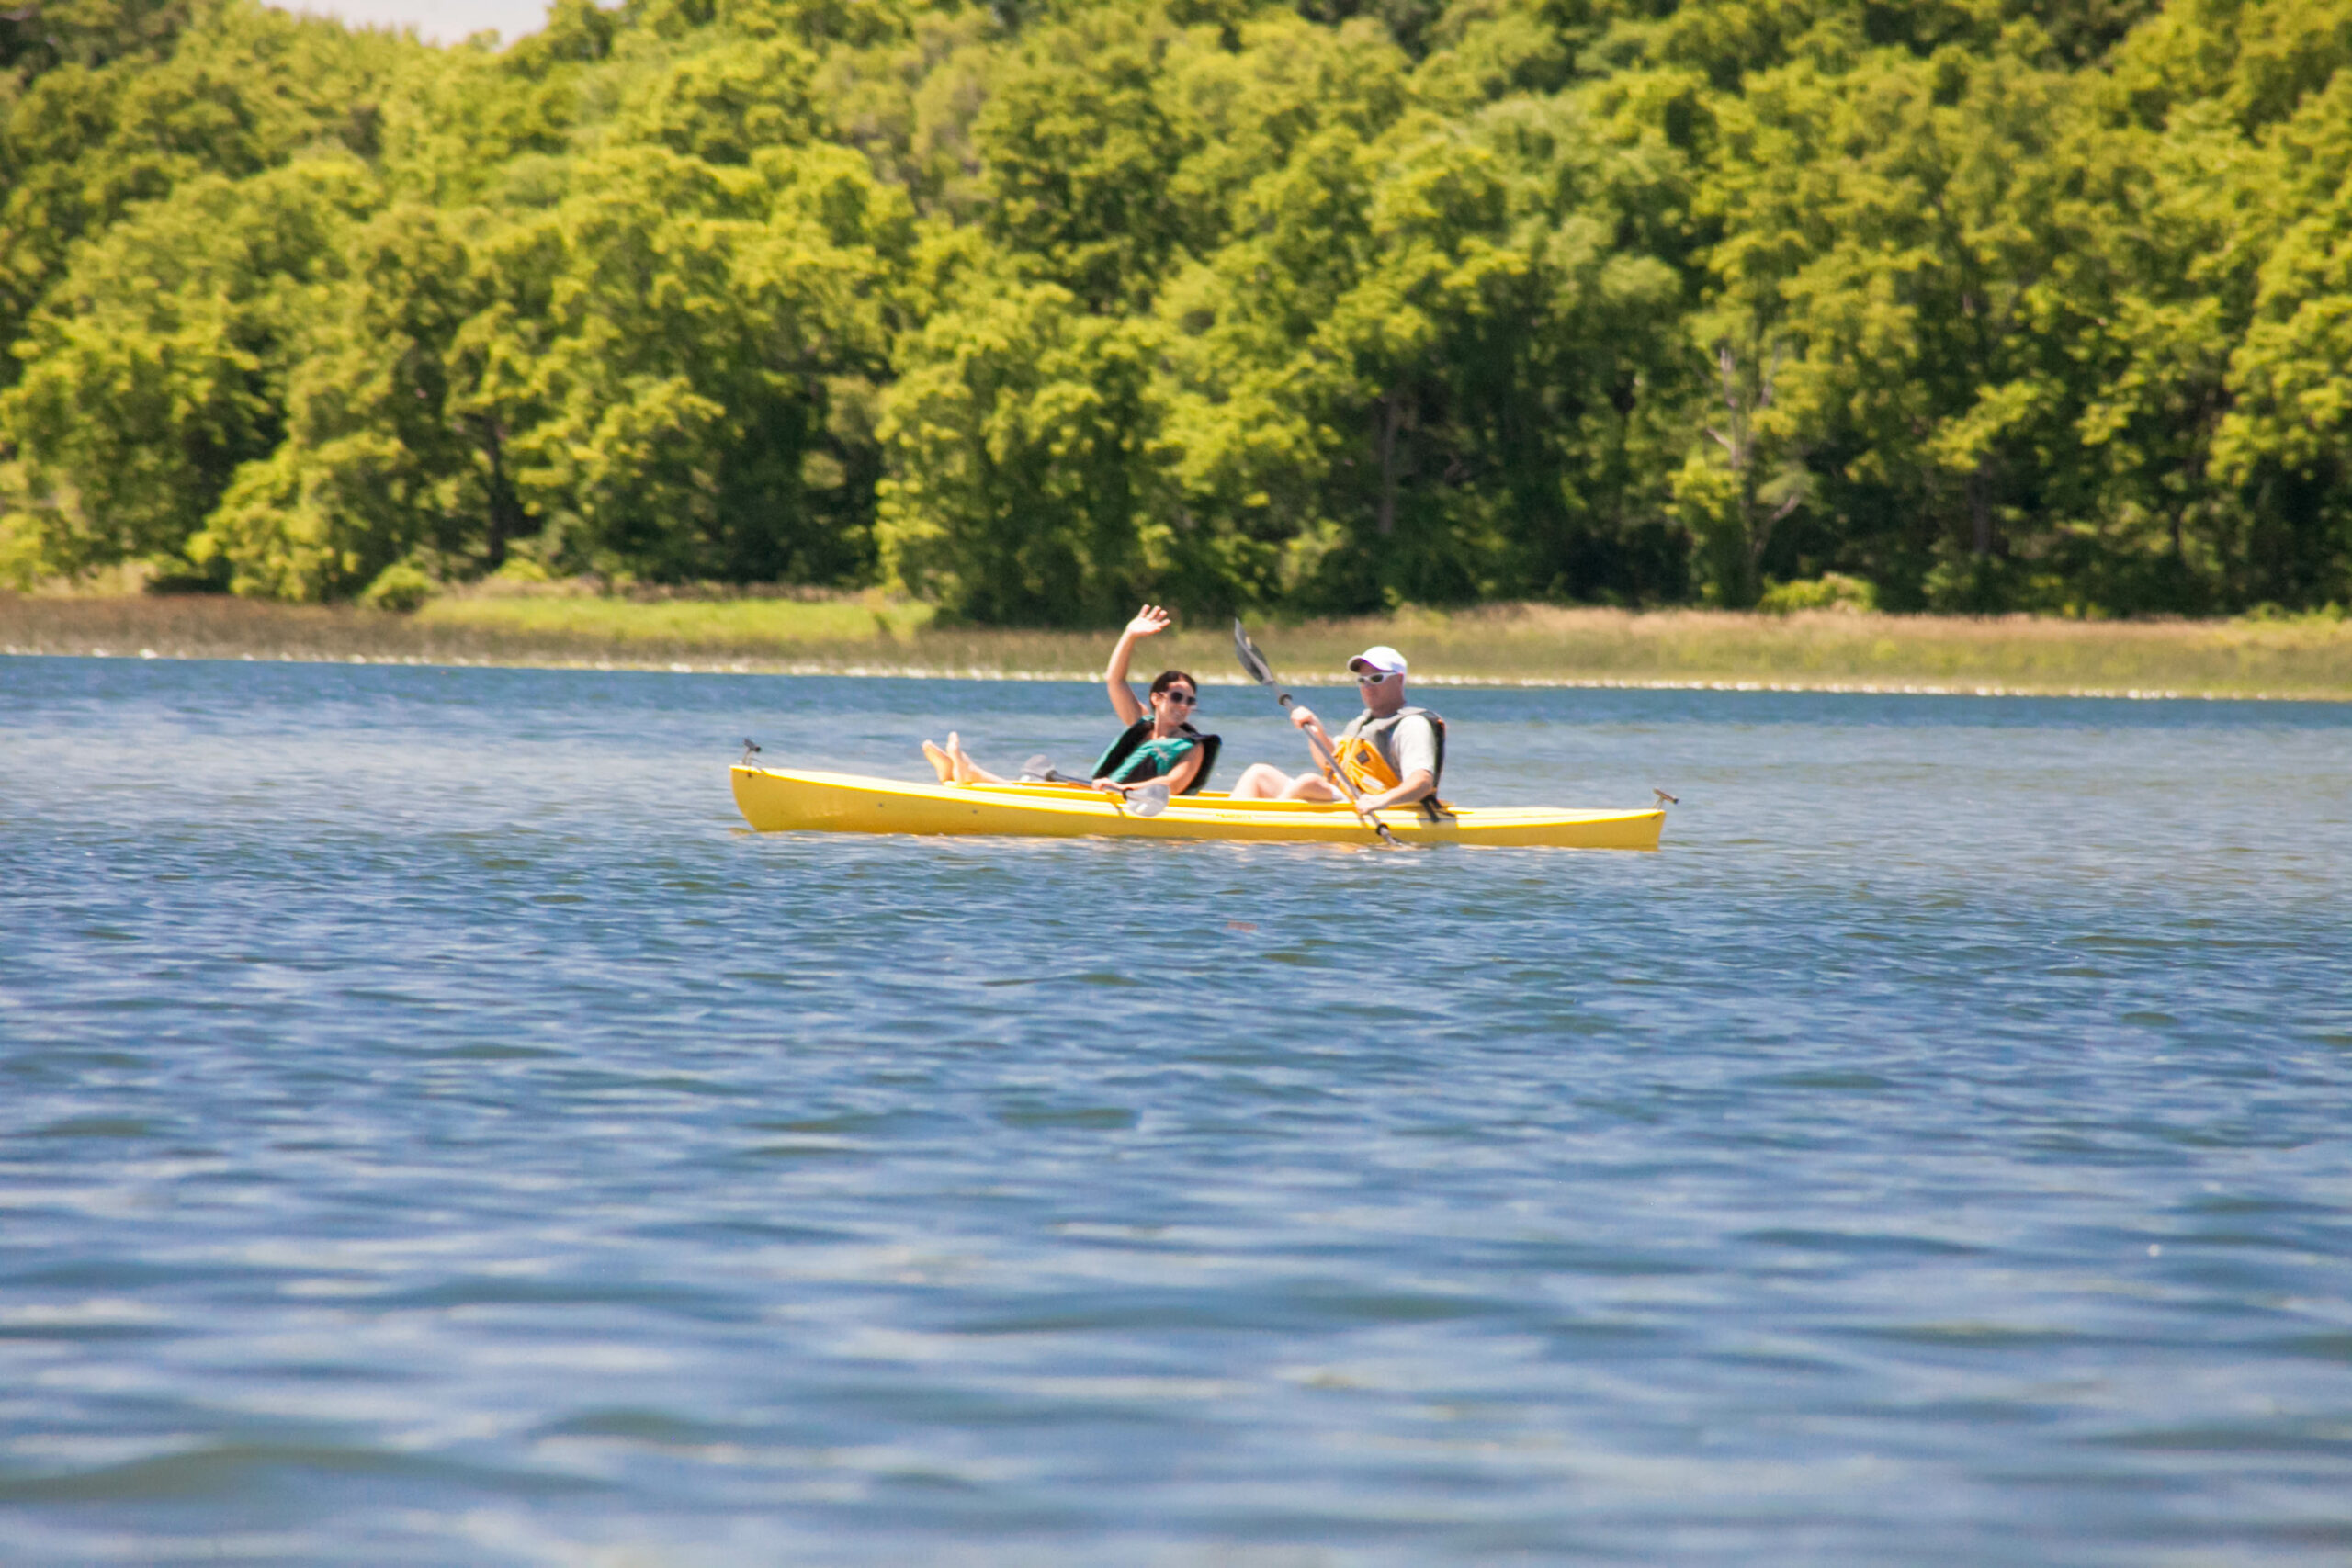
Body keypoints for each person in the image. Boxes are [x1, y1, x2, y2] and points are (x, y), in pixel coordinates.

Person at [922, 605, 1221, 795]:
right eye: (1177, 696)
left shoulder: (1191, 747)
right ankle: (961, 772)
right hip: (1107, 797)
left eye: (1190, 700)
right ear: (1157, 698)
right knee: (1049, 788)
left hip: (1132, 803)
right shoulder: (1140, 725)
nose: (1184, 705)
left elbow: (1173, 785)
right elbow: (1114, 680)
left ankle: (968, 773)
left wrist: (1122, 787)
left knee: (1044, 795)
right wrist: (1129, 635)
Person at [1228, 644, 1446, 814]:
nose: (1367, 686)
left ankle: (1261, 828)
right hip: (1347, 798)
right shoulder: (1364, 721)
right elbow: (1330, 763)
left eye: (1376, 678)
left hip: (1384, 809)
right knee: (1259, 774)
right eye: (1362, 680)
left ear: (1399, 681)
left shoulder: (1411, 725)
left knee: (1309, 782)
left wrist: (1381, 801)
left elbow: (1422, 782)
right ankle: (1231, 823)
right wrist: (1316, 729)